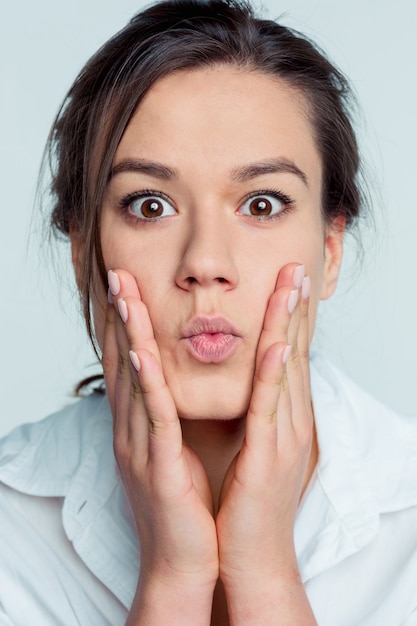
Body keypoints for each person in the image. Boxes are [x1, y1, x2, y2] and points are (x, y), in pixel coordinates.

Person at [0, 0, 416, 624]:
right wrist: (173, 577)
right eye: (148, 206)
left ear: (330, 251)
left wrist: (264, 570)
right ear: (84, 251)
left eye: (262, 204)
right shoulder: (12, 527)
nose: (205, 263)